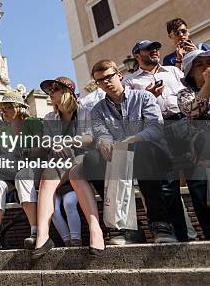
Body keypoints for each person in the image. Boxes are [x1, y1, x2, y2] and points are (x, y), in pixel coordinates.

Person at [85, 59, 177, 244]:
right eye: (100, 80)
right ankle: (125, 227)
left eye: (109, 77)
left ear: (119, 75)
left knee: (140, 149)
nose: (106, 82)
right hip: (120, 157)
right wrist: (104, 143)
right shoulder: (97, 110)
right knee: (92, 160)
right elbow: (101, 132)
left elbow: (155, 127)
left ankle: (160, 223)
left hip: (149, 154)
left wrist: (133, 139)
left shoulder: (144, 97)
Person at [123, 40, 190, 242]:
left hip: (181, 124)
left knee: (196, 178)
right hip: (155, 130)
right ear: (137, 55)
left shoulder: (173, 72)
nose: (155, 50)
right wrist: (148, 97)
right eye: (148, 49)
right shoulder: (130, 81)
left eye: (156, 48)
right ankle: (180, 235)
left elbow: (189, 93)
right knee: (168, 183)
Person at [0, 91, 43, 252]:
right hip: (10, 171)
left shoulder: (33, 123)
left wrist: (21, 152)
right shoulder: (4, 132)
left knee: (22, 176)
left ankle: (36, 232)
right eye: (2, 108)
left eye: (7, 107)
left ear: (18, 108)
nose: (3, 111)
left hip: (32, 168)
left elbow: (41, 149)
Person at [33, 77, 92, 258]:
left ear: (67, 92)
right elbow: (45, 141)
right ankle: (43, 238)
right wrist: (54, 144)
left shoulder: (84, 112)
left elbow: (89, 138)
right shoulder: (50, 117)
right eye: (49, 90)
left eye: (55, 89)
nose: (50, 93)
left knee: (68, 202)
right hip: (59, 169)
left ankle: (81, 236)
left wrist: (64, 141)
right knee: (50, 188)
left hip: (81, 164)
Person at [176, 49, 210, 238]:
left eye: (209, 62)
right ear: (190, 72)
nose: (206, 67)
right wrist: (208, 85)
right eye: (200, 64)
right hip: (200, 163)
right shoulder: (184, 94)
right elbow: (193, 111)